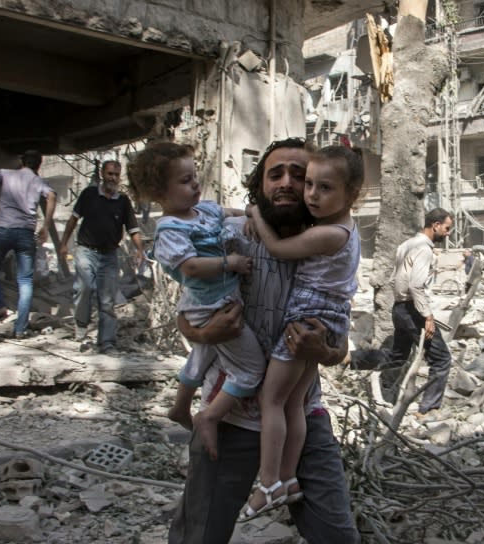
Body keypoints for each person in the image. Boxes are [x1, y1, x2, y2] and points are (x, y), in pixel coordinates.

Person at [168, 137, 360, 544]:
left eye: (301, 175)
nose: (289, 183)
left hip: (301, 418)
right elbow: (188, 314)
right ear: (259, 187)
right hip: (230, 417)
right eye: (277, 174)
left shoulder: (329, 244)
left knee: (337, 536)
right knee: (199, 535)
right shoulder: (228, 236)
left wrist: (323, 350)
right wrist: (205, 333)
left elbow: (340, 341)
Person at [242, 145, 362, 520]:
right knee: (291, 402)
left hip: (306, 320)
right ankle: (288, 478)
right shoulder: (334, 228)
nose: (308, 193)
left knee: (272, 400)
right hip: (323, 316)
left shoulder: (325, 233)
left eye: (321, 187)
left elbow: (277, 248)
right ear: (259, 182)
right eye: (309, 184)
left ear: (351, 194)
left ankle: (267, 484)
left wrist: (254, 214)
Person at [126, 142, 261, 455]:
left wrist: (252, 212)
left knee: (203, 355)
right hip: (209, 305)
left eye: (194, 177)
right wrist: (230, 263)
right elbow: (189, 266)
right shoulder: (170, 228)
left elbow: (230, 212)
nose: (195, 185)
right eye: (185, 181)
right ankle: (209, 416)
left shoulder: (203, 211)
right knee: (251, 368)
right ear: (160, 193)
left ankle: (180, 406)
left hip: (216, 301)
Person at [59, 160, 143, 353]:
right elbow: (73, 219)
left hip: (109, 255)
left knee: (106, 300)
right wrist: (64, 244)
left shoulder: (123, 201)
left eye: (116, 174)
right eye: (109, 174)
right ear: (102, 175)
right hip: (86, 251)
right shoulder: (89, 194)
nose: (113, 178)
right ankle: (81, 325)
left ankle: (107, 342)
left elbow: (133, 228)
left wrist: (140, 249)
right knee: (85, 287)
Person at [389, 208, 455, 420]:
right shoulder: (424, 250)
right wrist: (427, 317)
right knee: (441, 358)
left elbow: (393, 278)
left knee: (397, 357)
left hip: (399, 307)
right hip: (413, 310)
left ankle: (356, 364)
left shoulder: (406, 245)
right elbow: (416, 285)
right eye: (447, 228)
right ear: (435, 225)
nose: (448, 233)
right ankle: (428, 409)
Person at [0, 150, 56, 338]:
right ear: (39, 165)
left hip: (3, 230)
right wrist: (46, 226)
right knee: (25, 281)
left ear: (21, 161)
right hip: (25, 233)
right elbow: (52, 197)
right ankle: (20, 328)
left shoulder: (7, 174)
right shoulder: (38, 181)